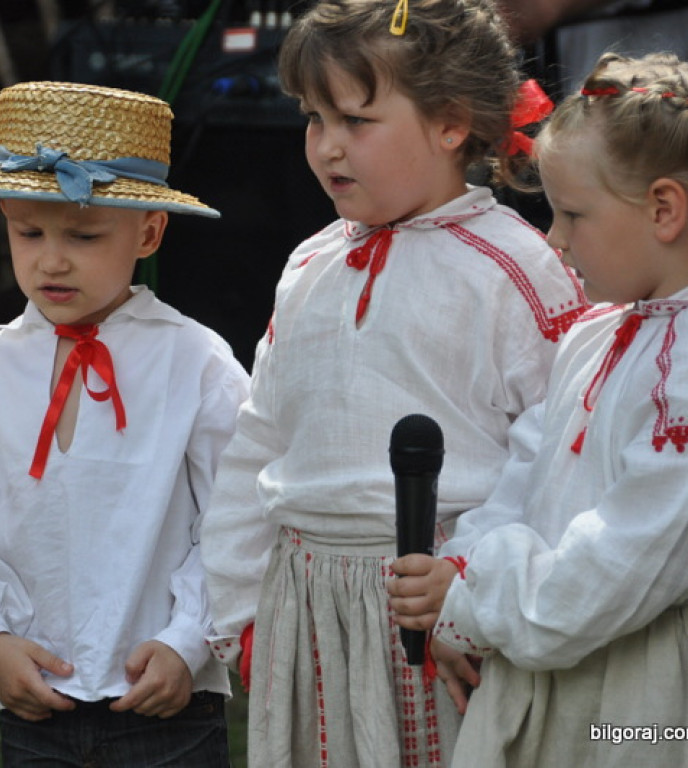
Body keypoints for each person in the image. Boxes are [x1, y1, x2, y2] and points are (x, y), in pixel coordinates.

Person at [199, 1, 590, 766]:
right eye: (314, 119)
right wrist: (241, 612)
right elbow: (260, 439)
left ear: (450, 124)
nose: (327, 147)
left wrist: (476, 593)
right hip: (307, 605)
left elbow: (558, 456)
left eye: (356, 120)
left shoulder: (515, 269)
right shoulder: (308, 266)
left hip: (437, 602)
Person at [0, 80, 250, 767]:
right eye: (28, 232)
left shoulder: (197, 364)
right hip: (33, 703)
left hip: (167, 705)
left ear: (148, 231)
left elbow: (242, 516)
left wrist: (190, 637)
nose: (52, 259)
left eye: (84, 235)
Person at [403, 51, 688, 766]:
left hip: (644, 700)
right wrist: (458, 573)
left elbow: (623, 560)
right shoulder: (593, 334)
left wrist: (472, 600)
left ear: (663, 208)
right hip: (540, 658)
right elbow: (522, 480)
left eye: (573, 214)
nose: (555, 239)